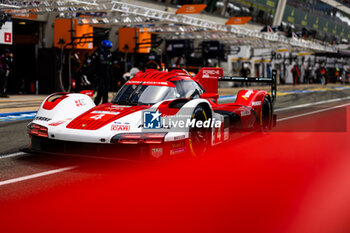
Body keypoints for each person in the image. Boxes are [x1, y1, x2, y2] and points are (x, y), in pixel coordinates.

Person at [90, 40, 113, 105]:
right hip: (99, 74)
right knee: (101, 89)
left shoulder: (109, 54)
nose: (107, 50)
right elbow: (93, 64)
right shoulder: (97, 53)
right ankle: (96, 103)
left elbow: (110, 64)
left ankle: (105, 102)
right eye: (106, 48)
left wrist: (111, 74)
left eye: (108, 48)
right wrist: (94, 73)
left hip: (107, 73)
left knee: (106, 89)